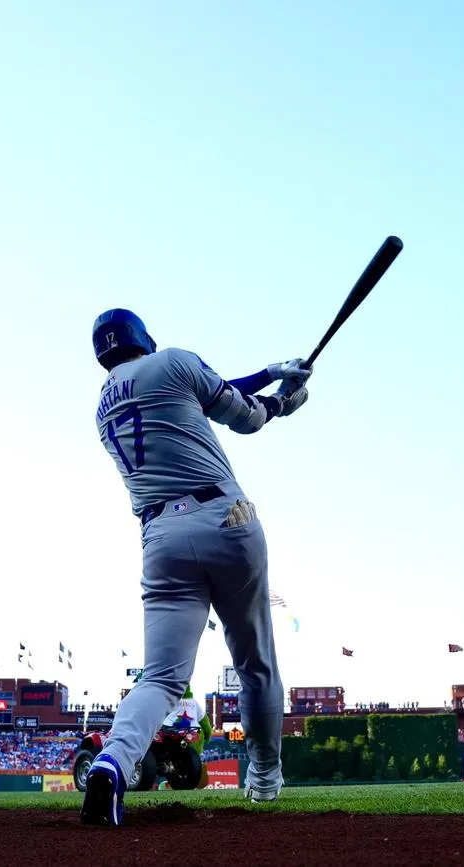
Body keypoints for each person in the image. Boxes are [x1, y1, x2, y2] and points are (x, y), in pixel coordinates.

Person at [81, 308, 309, 827]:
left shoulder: (102, 406)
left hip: (161, 536)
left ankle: (112, 762)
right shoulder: (173, 361)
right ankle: (264, 779)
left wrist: (273, 372)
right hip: (226, 517)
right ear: (143, 337)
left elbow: (206, 393)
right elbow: (247, 416)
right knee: (254, 663)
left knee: (161, 677)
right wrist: (283, 399)